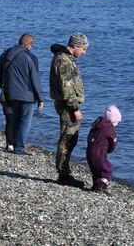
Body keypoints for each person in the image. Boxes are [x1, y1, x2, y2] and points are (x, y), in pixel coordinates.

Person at [50, 32, 89, 187]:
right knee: (67, 138)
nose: (85, 52)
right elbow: (66, 87)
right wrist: (75, 108)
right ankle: (63, 174)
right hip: (67, 106)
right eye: (84, 49)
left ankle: (64, 171)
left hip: (67, 104)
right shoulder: (63, 61)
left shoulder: (65, 59)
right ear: (76, 46)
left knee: (70, 138)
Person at [0, 33, 44, 155]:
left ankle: (10, 145)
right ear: (29, 45)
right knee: (24, 121)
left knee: (12, 120)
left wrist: (3, 86)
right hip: (27, 95)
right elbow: (35, 79)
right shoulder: (31, 58)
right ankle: (19, 147)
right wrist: (40, 98)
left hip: (9, 94)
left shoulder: (6, 54)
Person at [86, 105, 121, 194]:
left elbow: (89, 136)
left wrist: (90, 145)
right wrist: (110, 149)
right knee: (106, 170)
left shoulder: (97, 125)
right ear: (113, 120)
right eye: (117, 122)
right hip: (100, 151)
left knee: (95, 169)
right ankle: (101, 187)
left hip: (89, 151)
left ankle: (95, 185)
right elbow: (113, 142)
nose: (116, 125)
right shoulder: (110, 129)